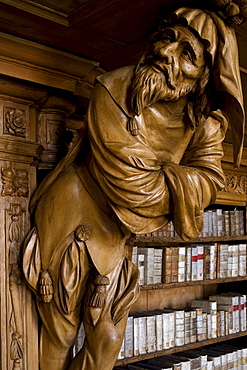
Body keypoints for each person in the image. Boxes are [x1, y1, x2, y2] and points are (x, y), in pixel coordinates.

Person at [22, 6, 244, 370]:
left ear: (204, 77)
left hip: (116, 235)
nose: (165, 52)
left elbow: (210, 182)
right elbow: (133, 186)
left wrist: (168, 177)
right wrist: (178, 178)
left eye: (186, 53)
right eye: (166, 37)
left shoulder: (204, 123)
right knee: (58, 336)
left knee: (107, 342)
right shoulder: (114, 88)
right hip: (73, 210)